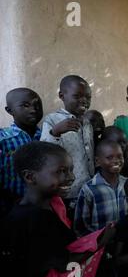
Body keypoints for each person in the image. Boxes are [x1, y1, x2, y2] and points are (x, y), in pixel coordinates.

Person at [1, 142, 113, 277]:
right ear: (30, 177)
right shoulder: (32, 219)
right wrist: (101, 241)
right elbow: (64, 263)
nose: (71, 177)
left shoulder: (52, 205)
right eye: (61, 171)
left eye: (70, 170)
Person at [40, 75, 95, 219]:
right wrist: (56, 132)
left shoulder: (87, 123)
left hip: (88, 188)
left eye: (88, 97)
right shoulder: (52, 120)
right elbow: (44, 154)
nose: (84, 100)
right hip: (67, 190)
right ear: (62, 96)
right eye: (77, 96)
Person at [0, 88, 43, 217]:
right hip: (9, 206)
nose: (33, 109)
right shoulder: (3, 138)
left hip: (43, 205)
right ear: (9, 110)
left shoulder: (47, 136)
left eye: (37, 105)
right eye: (25, 105)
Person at [74, 140, 128, 236]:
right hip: (99, 244)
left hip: (124, 240)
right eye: (109, 157)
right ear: (98, 161)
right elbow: (81, 225)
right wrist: (98, 241)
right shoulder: (89, 189)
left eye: (120, 156)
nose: (116, 161)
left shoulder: (127, 183)